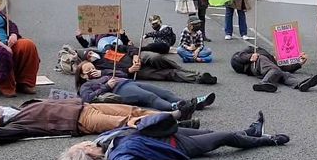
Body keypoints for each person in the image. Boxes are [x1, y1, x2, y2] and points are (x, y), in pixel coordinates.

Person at [54, 111, 289, 160]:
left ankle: (252, 132)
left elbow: (124, 127)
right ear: (90, 156)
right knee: (224, 138)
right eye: (82, 146)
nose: (85, 142)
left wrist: (132, 122)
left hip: (171, 134)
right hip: (181, 146)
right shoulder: (118, 157)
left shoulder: (105, 140)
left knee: (211, 132)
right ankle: (268, 140)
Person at [0, 99, 198, 145]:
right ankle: (176, 119)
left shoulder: (24, 106)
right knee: (127, 121)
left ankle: (177, 117)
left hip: (85, 105)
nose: (3, 108)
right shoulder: (16, 125)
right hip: (80, 120)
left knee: (132, 109)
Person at [75, 61, 216, 111]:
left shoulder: (103, 74)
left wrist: (103, 72)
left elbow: (123, 74)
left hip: (128, 83)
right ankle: (177, 107)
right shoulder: (86, 85)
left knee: (165, 93)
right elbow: (88, 98)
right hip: (120, 90)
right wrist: (106, 86)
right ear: (82, 75)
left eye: (93, 68)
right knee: (150, 97)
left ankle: (194, 102)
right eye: (88, 70)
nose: (92, 71)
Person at [82, 46, 217, 85]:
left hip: (138, 58)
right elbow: (116, 74)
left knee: (156, 57)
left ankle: (183, 69)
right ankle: (199, 78)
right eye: (87, 57)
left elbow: (130, 48)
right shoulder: (98, 68)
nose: (90, 55)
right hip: (135, 72)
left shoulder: (108, 48)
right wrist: (129, 70)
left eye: (90, 53)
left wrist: (135, 56)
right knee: (166, 74)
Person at [230, 46, 317, 93]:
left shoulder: (271, 59)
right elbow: (236, 57)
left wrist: (299, 63)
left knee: (283, 73)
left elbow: (284, 67)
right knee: (275, 70)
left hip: (266, 69)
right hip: (256, 64)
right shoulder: (252, 50)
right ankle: (264, 83)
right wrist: (250, 57)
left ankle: (299, 84)